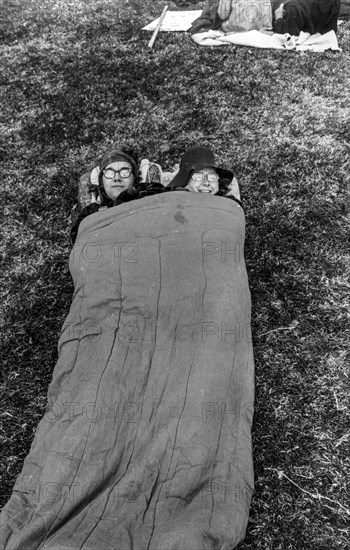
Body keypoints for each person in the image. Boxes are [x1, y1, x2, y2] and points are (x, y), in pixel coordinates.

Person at [70, 145, 139, 244]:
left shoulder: (149, 199)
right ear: (101, 181)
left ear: (135, 179)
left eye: (125, 172)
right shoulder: (89, 212)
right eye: (109, 173)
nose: (116, 178)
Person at [169, 145, 242, 206]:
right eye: (198, 177)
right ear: (185, 181)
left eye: (212, 177)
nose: (206, 183)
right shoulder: (170, 205)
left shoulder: (228, 207)